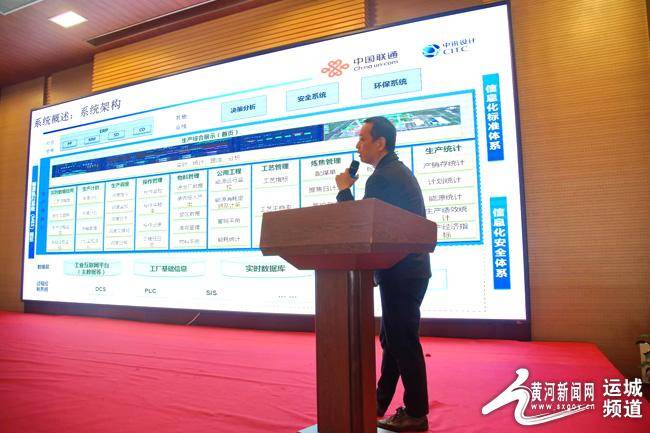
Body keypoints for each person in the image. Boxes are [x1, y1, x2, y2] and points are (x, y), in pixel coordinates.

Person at [335, 116, 431, 432]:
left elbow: (359, 225)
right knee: (394, 340)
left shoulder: (382, 178)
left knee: (402, 341)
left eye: (363, 139)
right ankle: (377, 403)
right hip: (408, 269)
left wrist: (344, 191)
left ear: (380, 143)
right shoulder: (395, 172)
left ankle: (416, 413)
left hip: (400, 270)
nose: (357, 145)